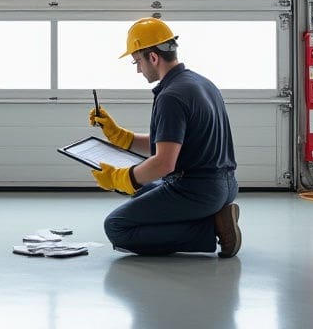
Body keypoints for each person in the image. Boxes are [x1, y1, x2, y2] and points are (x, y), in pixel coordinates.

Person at [89, 18, 241, 257]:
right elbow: (171, 142)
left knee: (117, 226)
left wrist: (121, 179)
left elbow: (163, 163)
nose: (138, 69)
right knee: (142, 193)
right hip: (225, 184)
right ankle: (214, 216)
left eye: (137, 61)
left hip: (198, 190)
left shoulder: (171, 96)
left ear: (152, 57)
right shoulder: (200, 83)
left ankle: (212, 228)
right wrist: (120, 136)